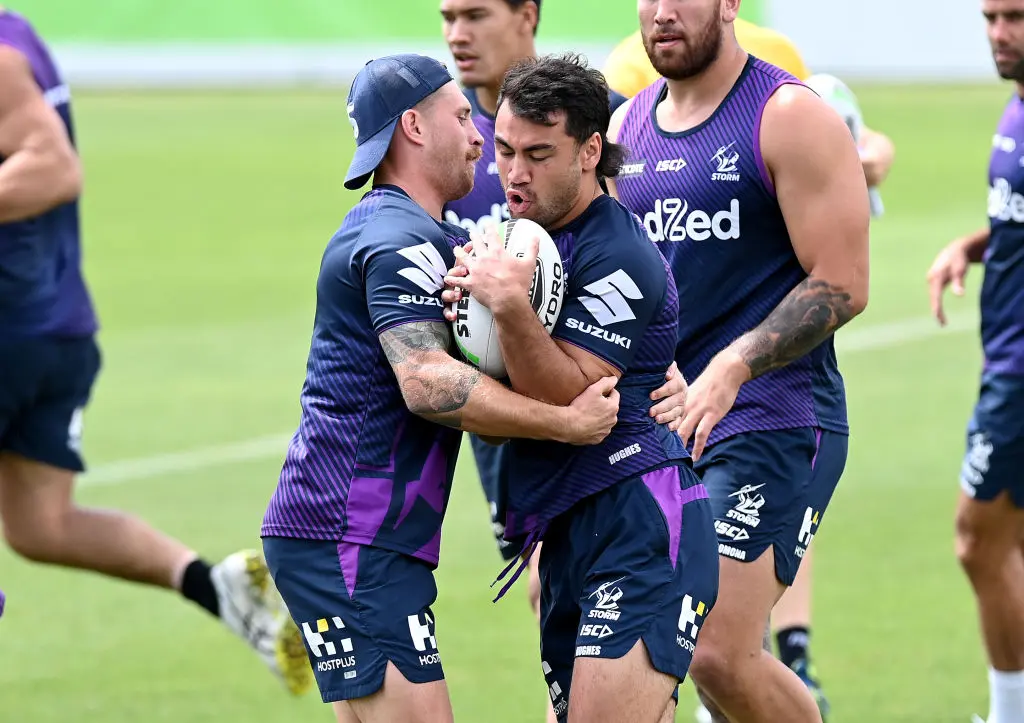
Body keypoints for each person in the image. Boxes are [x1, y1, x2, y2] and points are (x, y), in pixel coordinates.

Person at [259, 53, 640, 723]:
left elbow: (474, 398)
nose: (476, 140)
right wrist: (566, 423)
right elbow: (428, 381)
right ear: (413, 126)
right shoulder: (398, 237)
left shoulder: (415, 232)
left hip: (351, 533)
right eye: (463, 117)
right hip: (351, 533)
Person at [0, 8, 312, 696]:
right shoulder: (17, 31)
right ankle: (212, 585)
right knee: (39, 522)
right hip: (54, 323)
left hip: (11, 326)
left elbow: (53, 167)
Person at [606, 0, 870, 722]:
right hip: (665, 428)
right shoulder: (625, 129)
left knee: (717, 646)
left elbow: (843, 281)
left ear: (729, 4)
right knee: (654, 655)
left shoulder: (787, 115)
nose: (661, 12)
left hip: (775, 417)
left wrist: (734, 366)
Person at [442, 52, 719, 723]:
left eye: (538, 153)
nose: (513, 173)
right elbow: (496, 402)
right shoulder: (520, 242)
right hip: (567, 529)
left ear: (591, 149)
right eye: (505, 149)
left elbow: (573, 401)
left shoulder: (616, 251)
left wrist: (505, 306)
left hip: (640, 518)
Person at [928, 3, 1024, 722]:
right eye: (989, 16)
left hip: (1018, 377)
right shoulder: (1016, 109)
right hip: (1007, 364)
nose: (999, 32)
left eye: (1016, 17)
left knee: (976, 537)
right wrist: (977, 242)